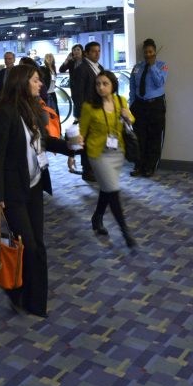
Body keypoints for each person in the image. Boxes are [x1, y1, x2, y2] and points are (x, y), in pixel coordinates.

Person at [0, 64, 77, 318]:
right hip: (13, 192)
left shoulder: (34, 110)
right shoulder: (4, 114)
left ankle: (35, 303)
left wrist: (71, 147)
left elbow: (44, 142)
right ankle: (17, 291)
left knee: (37, 245)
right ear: (22, 81)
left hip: (35, 185)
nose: (41, 84)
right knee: (27, 245)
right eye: (36, 80)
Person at [79, 71, 137, 248]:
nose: (101, 87)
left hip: (117, 151)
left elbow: (131, 120)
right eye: (98, 84)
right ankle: (125, 230)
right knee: (112, 190)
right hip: (98, 153)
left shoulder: (120, 101)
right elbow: (82, 131)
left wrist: (129, 117)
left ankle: (97, 217)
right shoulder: (89, 106)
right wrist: (74, 148)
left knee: (107, 188)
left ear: (113, 85)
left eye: (105, 83)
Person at [129, 38, 169, 177]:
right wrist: (132, 104)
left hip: (156, 105)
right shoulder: (137, 67)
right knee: (140, 137)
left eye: (150, 51)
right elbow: (132, 87)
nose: (148, 54)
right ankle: (139, 165)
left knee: (154, 137)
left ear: (155, 52)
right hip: (139, 105)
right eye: (146, 52)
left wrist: (152, 66)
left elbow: (159, 83)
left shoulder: (162, 66)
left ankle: (150, 167)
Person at [71, 41, 104, 182]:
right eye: (94, 51)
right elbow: (77, 94)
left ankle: (95, 168)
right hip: (87, 112)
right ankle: (87, 170)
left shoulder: (99, 67)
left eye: (98, 51)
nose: (97, 54)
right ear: (87, 53)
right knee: (86, 142)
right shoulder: (82, 69)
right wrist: (80, 114)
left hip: (99, 111)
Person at [59, 44, 83, 174]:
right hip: (76, 96)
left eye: (78, 50)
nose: (76, 52)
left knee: (78, 127)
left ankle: (72, 157)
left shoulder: (86, 63)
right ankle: (72, 157)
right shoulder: (72, 62)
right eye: (74, 50)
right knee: (77, 126)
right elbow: (61, 69)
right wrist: (67, 59)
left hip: (83, 98)